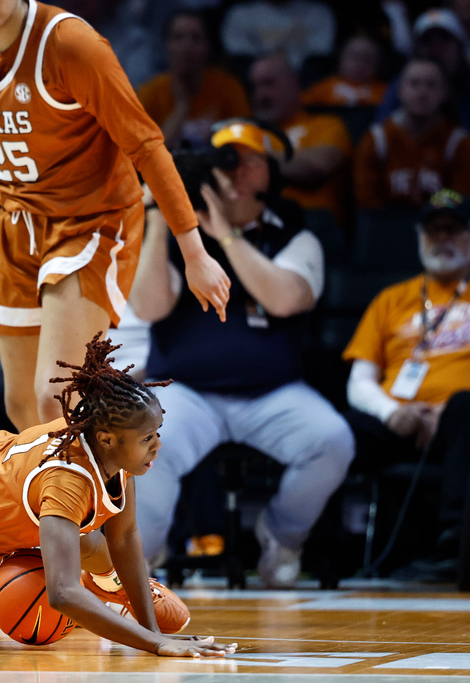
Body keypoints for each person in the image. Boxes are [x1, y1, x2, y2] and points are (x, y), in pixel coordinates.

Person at [0, 0, 230, 433]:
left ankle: (107, 498)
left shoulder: (70, 44)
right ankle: (63, 499)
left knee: (60, 396)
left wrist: (194, 251)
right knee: (23, 405)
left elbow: (146, 144)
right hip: (18, 225)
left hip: (90, 221)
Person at [0, 334, 237, 658]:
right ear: (106, 439)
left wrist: (151, 629)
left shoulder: (110, 446)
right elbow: (63, 593)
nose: (158, 445)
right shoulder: (66, 481)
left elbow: (125, 535)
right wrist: (153, 643)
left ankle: (114, 587)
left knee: (92, 540)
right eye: (148, 438)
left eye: (157, 433)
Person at [129, 119, 355, 587]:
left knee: (333, 440)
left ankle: (280, 535)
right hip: (186, 392)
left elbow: (286, 299)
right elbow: (148, 307)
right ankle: (140, 558)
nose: (227, 174)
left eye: (240, 162)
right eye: (221, 163)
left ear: (266, 173)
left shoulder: (294, 236)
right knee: (140, 438)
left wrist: (225, 237)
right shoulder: (179, 242)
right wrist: (158, 221)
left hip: (272, 394)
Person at [343, 188, 470, 581]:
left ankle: (453, 543)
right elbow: (359, 380)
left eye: (453, 229)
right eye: (434, 231)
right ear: (419, 237)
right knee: (334, 433)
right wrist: (393, 412)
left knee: (467, 408)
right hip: (399, 420)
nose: (442, 239)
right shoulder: (391, 299)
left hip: (460, 420)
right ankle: (332, 549)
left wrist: (445, 410)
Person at [249, 53, 353, 225]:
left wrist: (249, 158)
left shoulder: (327, 125)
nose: (261, 94)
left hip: (310, 222)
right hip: (255, 222)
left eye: (269, 83)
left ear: (294, 82)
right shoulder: (244, 131)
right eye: (255, 87)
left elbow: (318, 165)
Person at [354, 58, 470, 210]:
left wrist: (430, 215)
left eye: (431, 85)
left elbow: (462, 200)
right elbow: (367, 202)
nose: (422, 92)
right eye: (414, 83)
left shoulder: (458, 142)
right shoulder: (376, 140)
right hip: (387, 228)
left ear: (444, 92)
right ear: (400, 90)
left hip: (439, 228)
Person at [137, 10, 251, 150]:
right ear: (166, 45)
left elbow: (246, 146)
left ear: (208, 47)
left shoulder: (229, 88)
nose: (187, 47)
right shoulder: (149, 93)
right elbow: (145, 155)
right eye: (178, 38)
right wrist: (182, 106)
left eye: (196, 38)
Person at [377, 8, 470, 130]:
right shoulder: (403, 81)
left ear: (459, 46)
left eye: (444, 39)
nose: (436, 47)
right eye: (427, 40)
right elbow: (383, 130)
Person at [220, 0, 336, 71]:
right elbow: (239, 55)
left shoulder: (317, 13)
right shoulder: (241, 14)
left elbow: (320, 53)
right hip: (256, 81)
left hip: (303, 81)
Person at [302, 35, 388, 109]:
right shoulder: (323, 88)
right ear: (341, 58)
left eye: (367, 58)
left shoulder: (386, 93)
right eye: (355, 56)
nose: (360, 63)